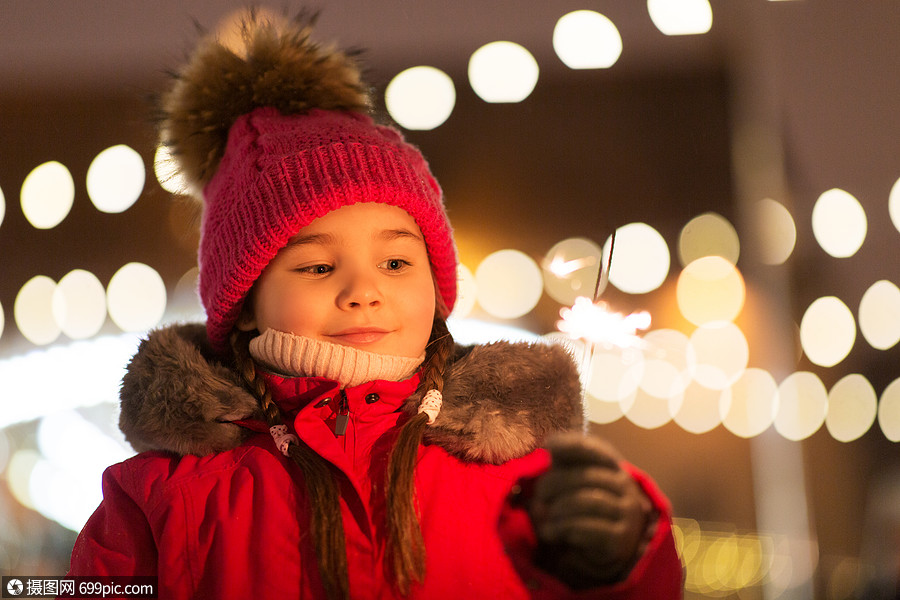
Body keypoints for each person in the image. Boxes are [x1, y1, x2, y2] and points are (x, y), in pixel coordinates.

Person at [67, 10, 683, 599]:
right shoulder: (159, 499)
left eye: (395, 263)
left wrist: (623, 559)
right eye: (316, 266)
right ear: (248, 300)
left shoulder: (520, 476)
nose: (364, 291)